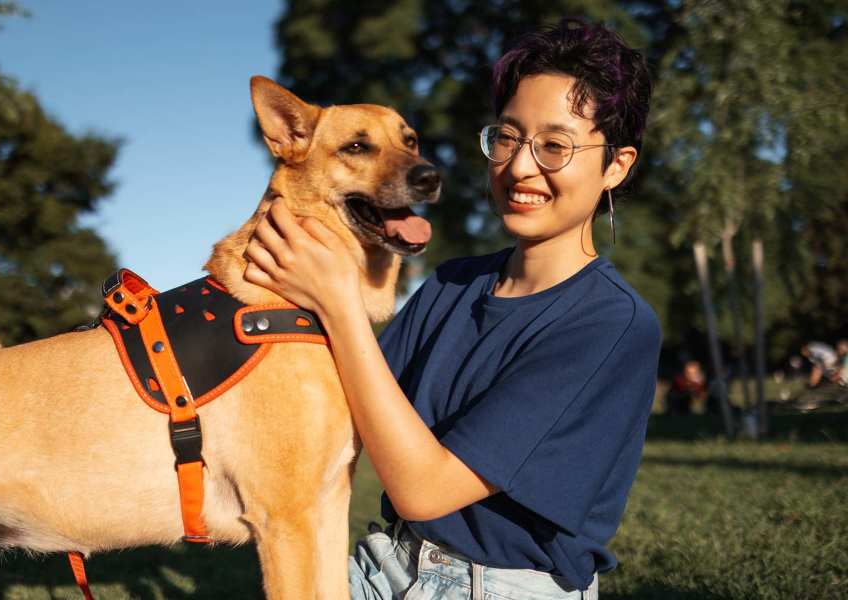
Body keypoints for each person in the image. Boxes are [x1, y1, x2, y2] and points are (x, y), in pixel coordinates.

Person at [244, 20, 660, 600]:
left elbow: (425, 491)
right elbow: (344, 399)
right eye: (509, 137)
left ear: (616, 166)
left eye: (555, 146)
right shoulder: (453, 284)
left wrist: (339, 305)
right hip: (383, 563)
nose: (519, 167)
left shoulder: (610, 323)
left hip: (506, 588)